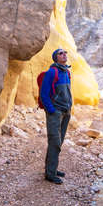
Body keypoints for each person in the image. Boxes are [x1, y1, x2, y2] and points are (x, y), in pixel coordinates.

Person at [40, 48, 72, 184]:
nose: (64, 54)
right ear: (55, 57)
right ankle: (50, 174)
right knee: (55, 142)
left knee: (59, 142)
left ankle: (51, 169)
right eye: (61, 53)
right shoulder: (52, 72)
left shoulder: (67, 72)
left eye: (65, 52)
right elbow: (43, 94)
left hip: (66, 112)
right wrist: (51, 110)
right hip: (56, 112)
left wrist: (69, 107)